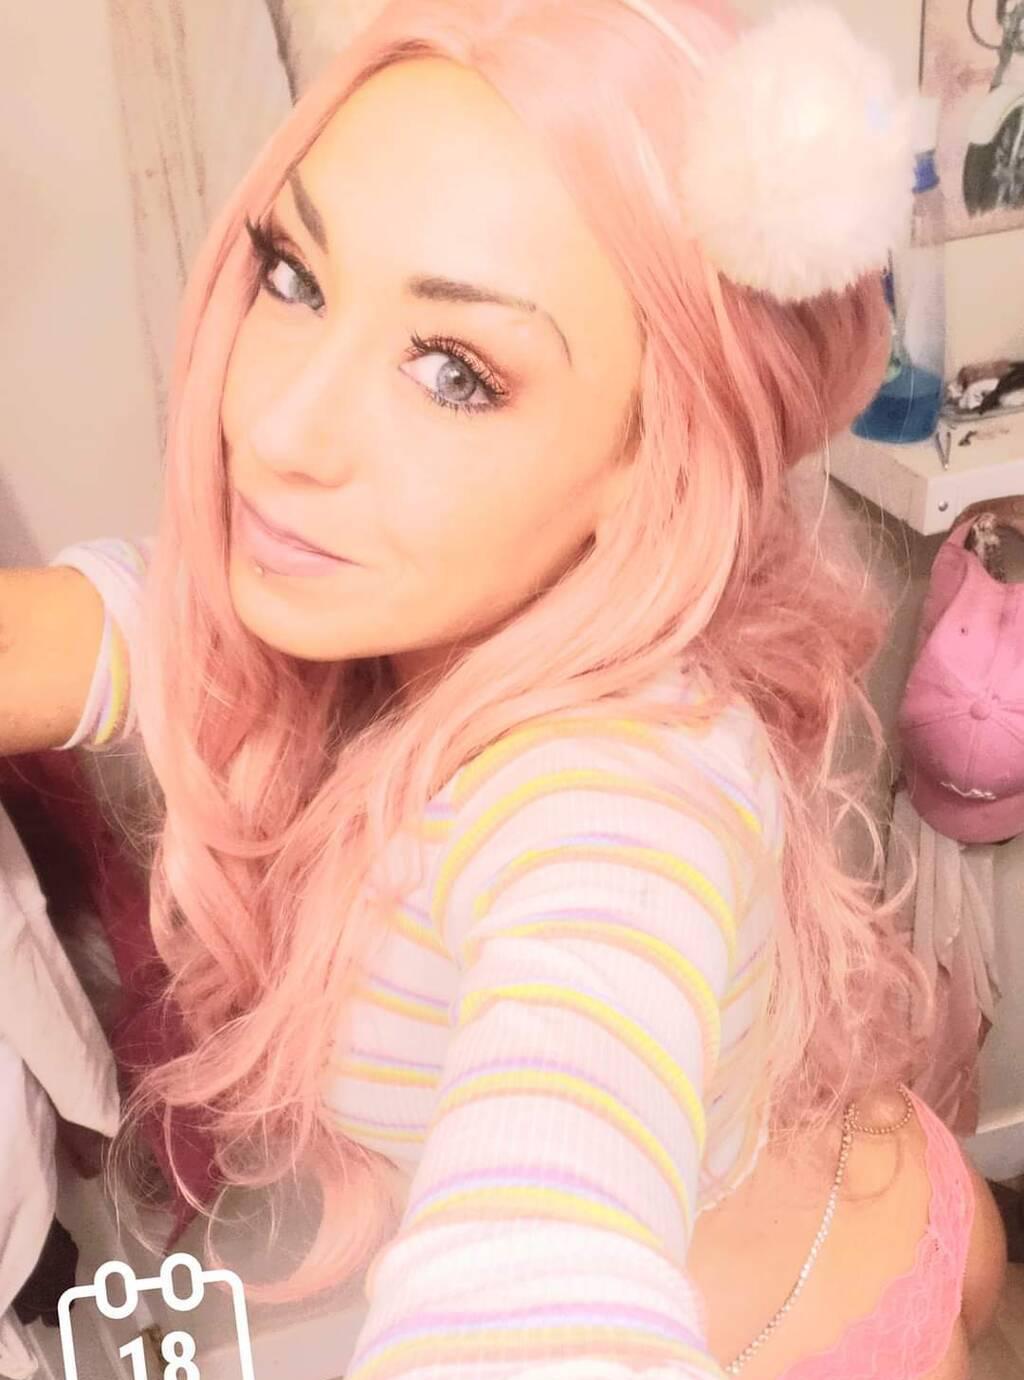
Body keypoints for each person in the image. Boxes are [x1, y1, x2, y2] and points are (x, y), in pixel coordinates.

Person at [0, 1, 1008, 1377]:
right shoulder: (376, 621)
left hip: (827, 1338)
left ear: (653, 462)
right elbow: (96, 634)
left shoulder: (612, 800)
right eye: (295, 276)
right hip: (878, 1189)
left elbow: (544, 1258)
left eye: (454, 372)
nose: (277, 428)